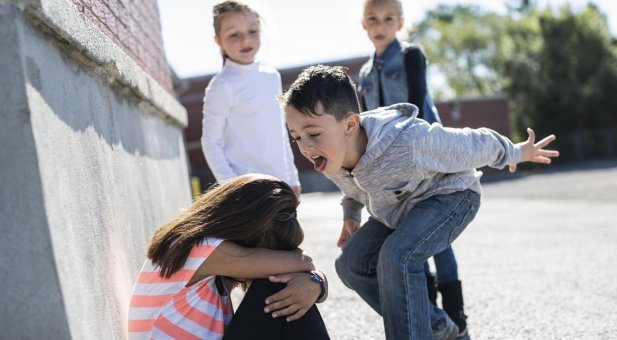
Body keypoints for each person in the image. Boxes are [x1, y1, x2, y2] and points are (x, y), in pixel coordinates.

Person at [281, 65, 559, 340]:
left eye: (313, 133)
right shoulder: (333, 156)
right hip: (398, 210)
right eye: (296, 138)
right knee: (351, 263)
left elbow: (472, 143)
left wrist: (515, 152)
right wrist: (350, 214)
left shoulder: (408, 141)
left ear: (350, 125)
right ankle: (434, 324)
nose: (305, 146)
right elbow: (352, 189)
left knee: (397, 256)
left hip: (451, 197)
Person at [357, 0, 466, 336]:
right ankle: (431, 318)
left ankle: (457, 320)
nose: (380, 25)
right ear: (363, 24)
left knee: (438, 239)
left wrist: (409, 142)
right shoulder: (363, 73)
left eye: (388, 18)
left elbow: (417, 100)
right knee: (409, 235)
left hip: (426, 155)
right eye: (373, 19)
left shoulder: (409, 55)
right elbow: (366, 122)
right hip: (391, 167)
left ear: (400, 23)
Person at [127, 174, 331, 339]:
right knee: (277, 284)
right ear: (245, 230)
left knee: (288, 286)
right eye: (267, 252)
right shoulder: (202, 248)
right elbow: (304, 263)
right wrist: (315, 280)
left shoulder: (207, 256)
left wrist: (315, 282)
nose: (266, 259)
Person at [201, 1, 301, 195]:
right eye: (233, 34)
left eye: (252, 31)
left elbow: (280, 132)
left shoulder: (272, 76)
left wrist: (292, 177)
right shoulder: (222, 85)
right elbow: (210, 142)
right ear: (218, 41)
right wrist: (232, 186)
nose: (245, 40)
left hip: (281, 184)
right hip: (247, 191)